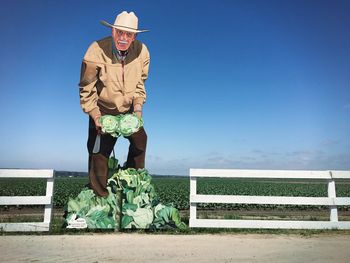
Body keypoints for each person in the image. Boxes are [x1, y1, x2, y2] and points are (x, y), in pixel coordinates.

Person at [79, 11, 150, 197]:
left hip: (128, 109)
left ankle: (131, 180)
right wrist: (95, 115)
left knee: (140, 140)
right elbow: (87, 87)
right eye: (119, 32)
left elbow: (140, 84)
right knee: (99, 154)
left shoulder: (143, 52)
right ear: (113, 31)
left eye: (129, 34)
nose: (123, 38)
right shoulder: (95, 50)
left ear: (134, 36)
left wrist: (138, 111)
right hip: (102, 110)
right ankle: (100, 195)